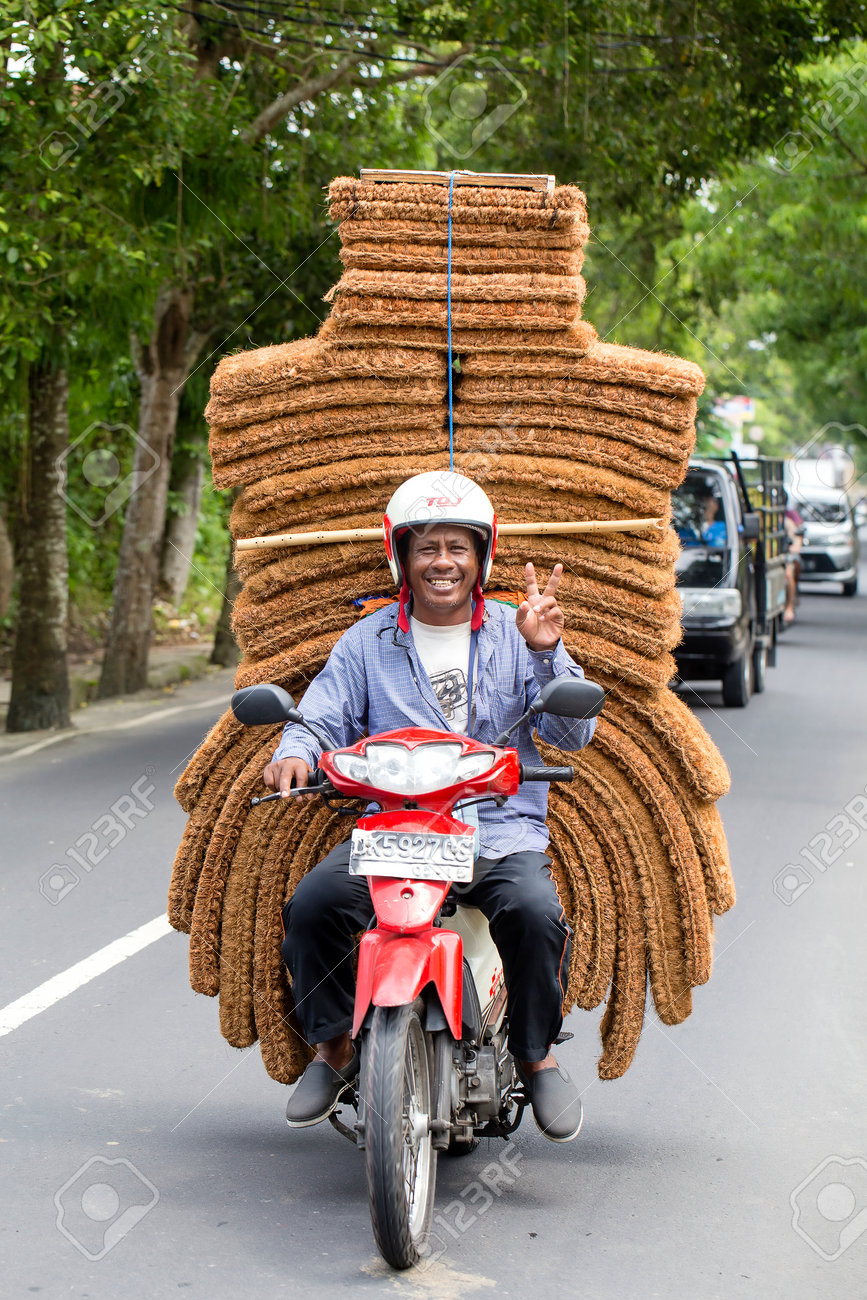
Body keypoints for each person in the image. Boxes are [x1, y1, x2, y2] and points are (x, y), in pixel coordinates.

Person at [263, 471, 598, 1142]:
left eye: (456, 547)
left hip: (496, 832)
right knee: (313, 908)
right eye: (426, 548)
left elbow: (570, 735)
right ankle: (333, 1050)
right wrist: (295, 750)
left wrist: (544, 651)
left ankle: (536, 1056)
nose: (441, 562)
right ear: (401, 558)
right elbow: (320, 716)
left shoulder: (514, 632)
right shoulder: (366, 642)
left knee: (535, 913)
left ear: (480, 558)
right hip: (395, 831)